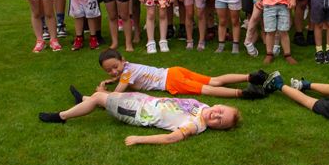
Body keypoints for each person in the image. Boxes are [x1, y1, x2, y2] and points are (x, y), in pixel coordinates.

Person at [39, 90, 240, 146]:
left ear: (216, 128)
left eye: (219, 120)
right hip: (143, 100)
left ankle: (62, 116)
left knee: (101, 97)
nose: (216, 115)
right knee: (107, 96)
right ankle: (84, 101)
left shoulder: (195, 125)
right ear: (217, 105)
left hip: (137, 112)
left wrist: (138, 139)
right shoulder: (203, 107)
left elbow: (172, 138)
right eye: (220, 110)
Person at [95, 49, 267, 99]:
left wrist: (103, 93)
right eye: (109, 70)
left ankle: (244, 93)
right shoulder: (128, 67)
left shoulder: (127, 74)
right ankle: (251, 77)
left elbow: (117, 94)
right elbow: (121, 77)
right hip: (174, 70)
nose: (114, 71)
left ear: (122, 61)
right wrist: (112, 79)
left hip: (171, 82)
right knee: (213, 80)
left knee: (206, 89)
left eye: (115, 66)